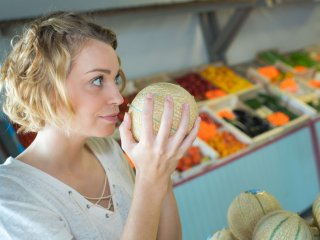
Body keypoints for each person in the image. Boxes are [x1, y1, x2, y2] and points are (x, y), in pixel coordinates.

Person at [0, 12, 200, 240]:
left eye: (115, 79)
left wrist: (161, 173)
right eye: (97, 80)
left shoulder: (109, 150)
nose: (118, 97)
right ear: (48, 91)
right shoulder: (10, 198)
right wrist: (149, 179)